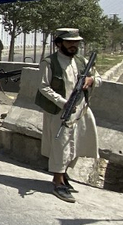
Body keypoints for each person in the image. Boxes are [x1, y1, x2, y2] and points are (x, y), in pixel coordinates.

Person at [36, 28, 101, 203]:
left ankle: (64, 175)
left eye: (76, 43)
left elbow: (98, 78)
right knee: (61, 145)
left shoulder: (82, 61)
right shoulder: (49, 62)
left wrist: (91, 80)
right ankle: (58, 182)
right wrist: (63, 102)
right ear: (59, 44)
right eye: (69, 42)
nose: (74, 46)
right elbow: (43, 87)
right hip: (60, 110)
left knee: (78, 142)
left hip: (81, 109)